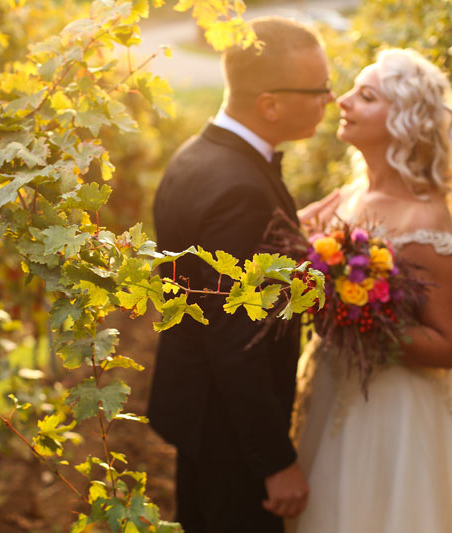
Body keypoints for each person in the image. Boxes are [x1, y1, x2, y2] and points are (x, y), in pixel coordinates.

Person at [287, 48, 452, 532]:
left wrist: (354, 313)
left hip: (395, 420)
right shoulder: (353, 196)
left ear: (404, 120)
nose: (342, 101)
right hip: (333, 395)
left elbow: (446, 347)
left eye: (365, 96)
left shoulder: (427, 219)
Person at [147, 16, 334, 532]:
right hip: (229, 428)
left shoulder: (198, 155)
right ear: (269, 104)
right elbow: (237, 340)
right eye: (319, 89)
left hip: (203, 413)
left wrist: (291, 236)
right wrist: (276, 463)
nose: (330, 100)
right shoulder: (241, 191)